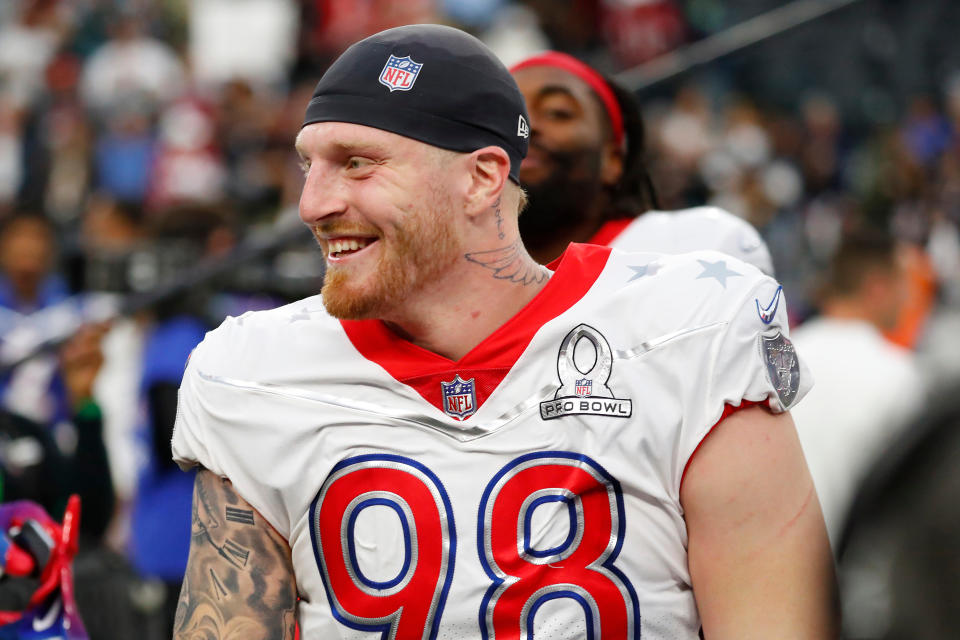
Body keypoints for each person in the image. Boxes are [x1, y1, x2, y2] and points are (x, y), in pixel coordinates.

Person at [171, 24, 837, 639]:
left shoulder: (690, 328)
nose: (313, 205)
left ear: (482, 177)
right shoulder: (252, 372)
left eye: (357, 162)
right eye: (307, 165)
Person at [508, 51, 775, 275]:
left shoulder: (702, 246)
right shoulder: (470, 296)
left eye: (558, 112)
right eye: (507, 114)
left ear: (613, 160)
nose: (525, 126)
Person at [789, 231, 926, 549]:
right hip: (852, 572)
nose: (908, 299)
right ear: (877, 288)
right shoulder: (898, 375)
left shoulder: (784, 357)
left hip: (777, 571)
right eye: (903, 285)